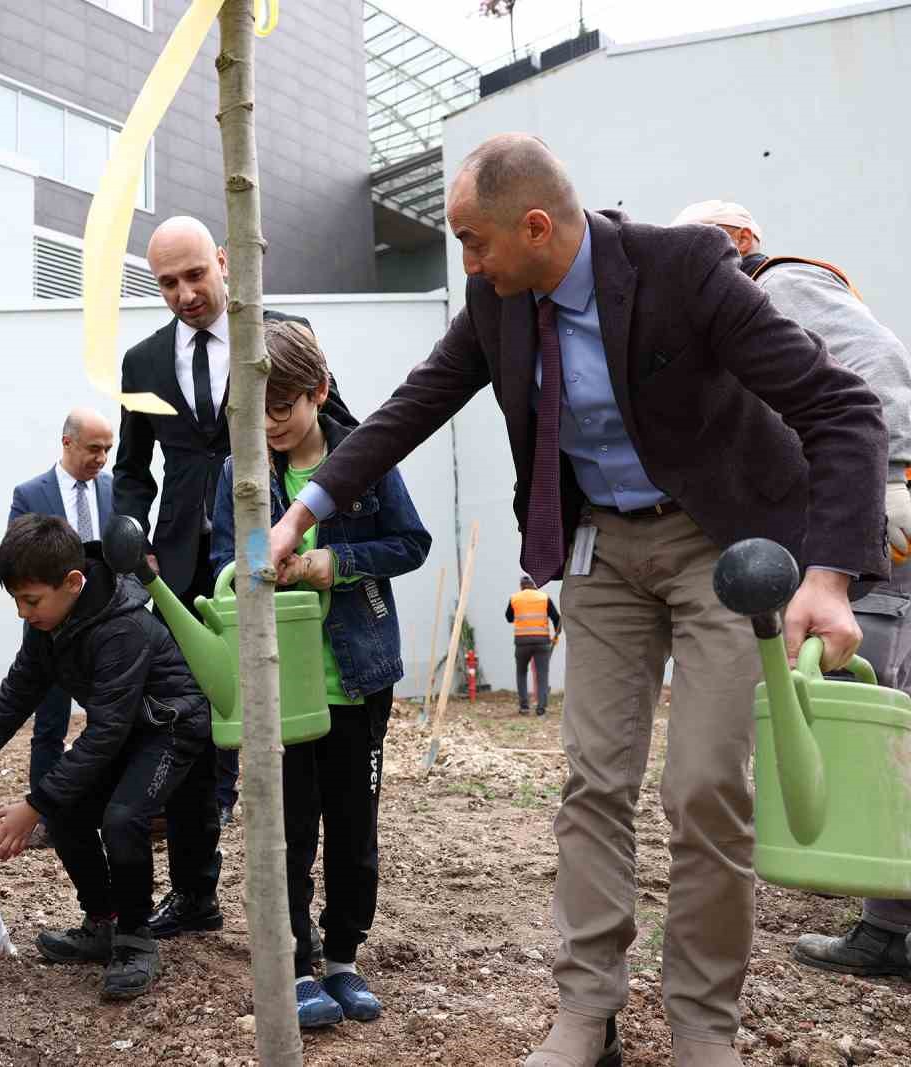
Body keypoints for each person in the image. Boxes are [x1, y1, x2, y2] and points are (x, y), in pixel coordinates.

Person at [266, 135, 886, 1067]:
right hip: (602, 547)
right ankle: (585, 1014)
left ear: (537, 225)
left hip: (719, 542)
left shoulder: (687, 270)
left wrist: (830, 576)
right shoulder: (498, 300)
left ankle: (703, 1026)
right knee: (593, 781)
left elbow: (842, 407)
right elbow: (414, 402)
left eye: (473, 242)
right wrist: (305, 510)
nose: (466, 264)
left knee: (707, 789)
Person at [672, 199, 911, 980]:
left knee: (867, 709)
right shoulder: (812, 293)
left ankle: (884, 915)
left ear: (741, 243)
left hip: (886, 495)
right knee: (883, 709)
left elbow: (862, 392)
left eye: (705, 246)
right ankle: (885, 927)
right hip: (888, 488)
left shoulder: (777, 287)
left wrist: (866, 488)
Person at [209, 320, 430, 1029]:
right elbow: (230, 553)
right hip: (284, 685)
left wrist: (335, 562)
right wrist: (260, 567)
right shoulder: (239, 473)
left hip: (358, 676)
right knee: (289, 827)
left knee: (353, 825)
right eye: (255, 411)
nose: (269, 425)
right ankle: (294, 961)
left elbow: (411, 541)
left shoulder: (364, 459)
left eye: (282, 408)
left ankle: (343, 957)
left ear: (319, 391)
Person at [0, 515, 210, 1002]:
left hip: (168, 729)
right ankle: (103, 922)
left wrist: (35, 804)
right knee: (68, 810)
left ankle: (136, 939)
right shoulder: (51, 620)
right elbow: (19, 689)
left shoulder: (124, 627)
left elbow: (108, 731)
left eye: (31, 601)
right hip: (125, 730)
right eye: (17, 601)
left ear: (73, 582)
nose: (24, 612)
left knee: (121, 819)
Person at [8, 407, 115, 844]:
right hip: (49, 629)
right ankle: (44, 815)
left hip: (103, 629)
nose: (102, 458)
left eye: (108, 449)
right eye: (94, 448)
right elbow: (16, 561)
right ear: (67, 442)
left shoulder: (113, 489)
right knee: (49, 724)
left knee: (107, 724)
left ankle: (101, 808)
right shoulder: (30, 493)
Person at [506, 575, 561, 716]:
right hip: (542, 642)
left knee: (521, 673)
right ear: (534, 585)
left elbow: (509, 618)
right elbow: (556, 618)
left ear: (521, 586)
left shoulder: (515, 598)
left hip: (522, 642)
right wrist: (557, 634)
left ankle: (524, 706)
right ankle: (541, 708)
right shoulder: (544, 598)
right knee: (542, 674)